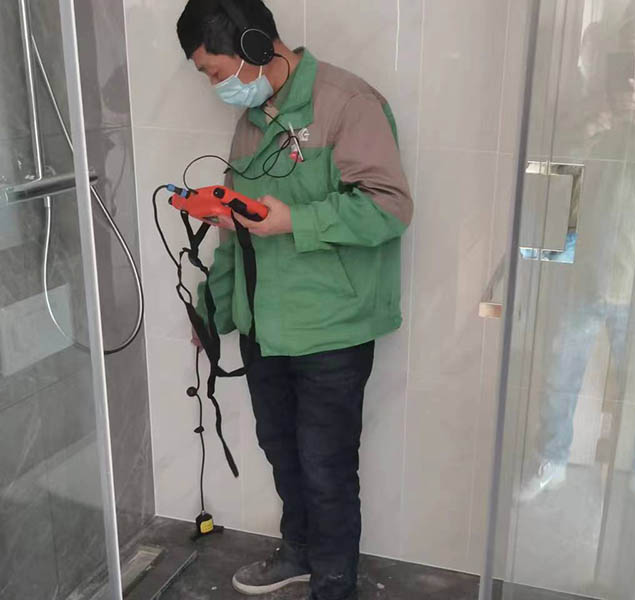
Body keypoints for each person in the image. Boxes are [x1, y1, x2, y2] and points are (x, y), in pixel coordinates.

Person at [176, 2, 413, 599]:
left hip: (332, 328)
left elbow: (389, 208)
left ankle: (334, 582)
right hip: (264, 325)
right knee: (282, 452)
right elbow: (235, 233)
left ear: (255, 46)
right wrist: (211, 313)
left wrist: (296, 221)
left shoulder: (348, 104)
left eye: (214, 71)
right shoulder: (252, 120)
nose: (215, 87)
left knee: (326, 467)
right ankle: (300, 553)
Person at [519, 0, 635, 502]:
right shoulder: (591, 101)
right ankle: (553, 459)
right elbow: (554, 173)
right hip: (583, 267)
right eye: (634, 43)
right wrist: (591, 128)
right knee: (560, 373)